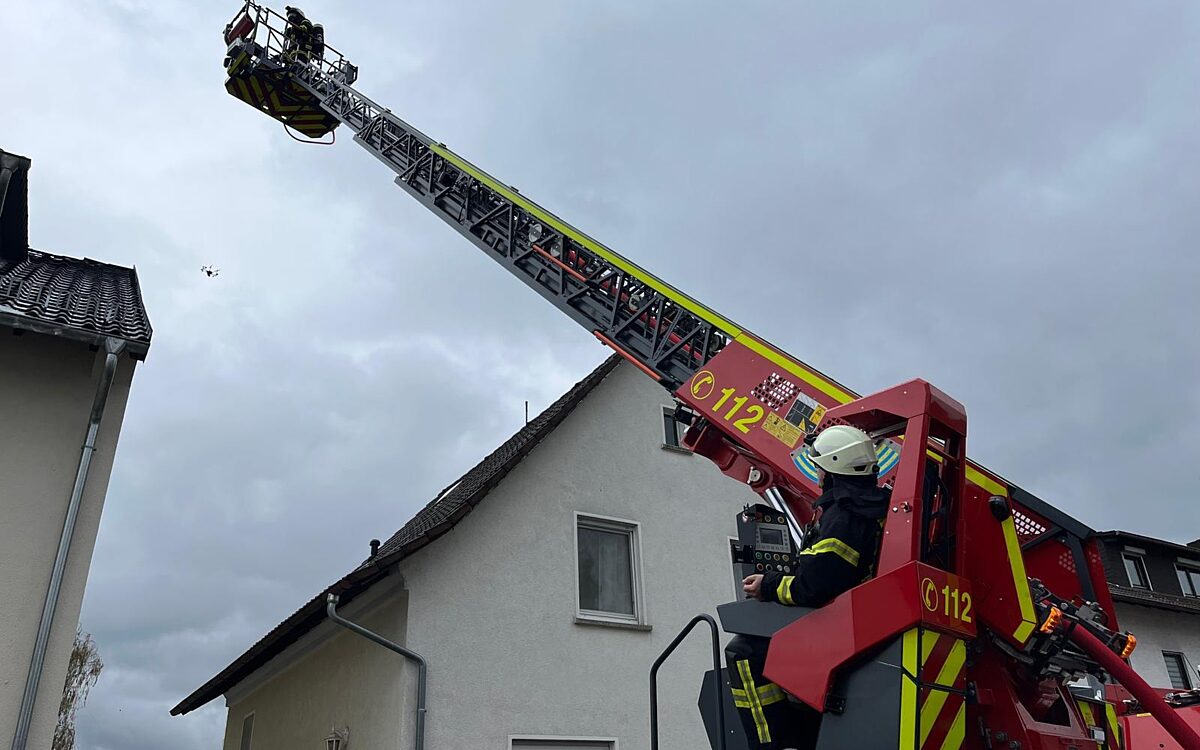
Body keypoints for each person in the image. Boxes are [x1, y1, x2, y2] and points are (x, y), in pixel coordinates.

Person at [725, 424, 890, 750]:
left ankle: (772, 743)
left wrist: (767, 586)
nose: (816, 475)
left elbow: (813, 587)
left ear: (831, 470)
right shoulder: (877, 507)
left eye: (819, 467)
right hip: (863, 623)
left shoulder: (841, 516)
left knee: (742, 651)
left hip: (840, 628)